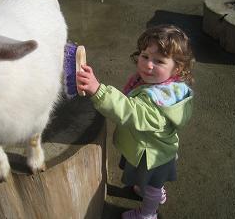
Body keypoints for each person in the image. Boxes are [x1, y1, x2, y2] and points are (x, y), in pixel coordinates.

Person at [76, 25, 194, 219]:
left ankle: (148, 214)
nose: (148, 65)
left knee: (152, 186)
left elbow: (130, 111)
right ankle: (152, 187)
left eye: (159, 61)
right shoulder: (171, 86)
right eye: (145, 56)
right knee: (152, 182)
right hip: (153, 148)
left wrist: (98, 91)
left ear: (177, 68)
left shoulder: (156, 100)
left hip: (151, 156)